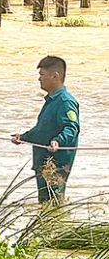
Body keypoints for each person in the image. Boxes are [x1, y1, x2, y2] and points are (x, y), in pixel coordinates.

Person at [11, 56, 80, 204]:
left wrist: (57, 141)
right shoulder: (51, 100)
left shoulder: (65, 102)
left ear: (55, 76)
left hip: (56, 164)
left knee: (54, 201)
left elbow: (71, 128)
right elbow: (42, 131)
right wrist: (23, 137)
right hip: (43, 161)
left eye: (42, 75)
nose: (39, 79)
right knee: (44, 202)